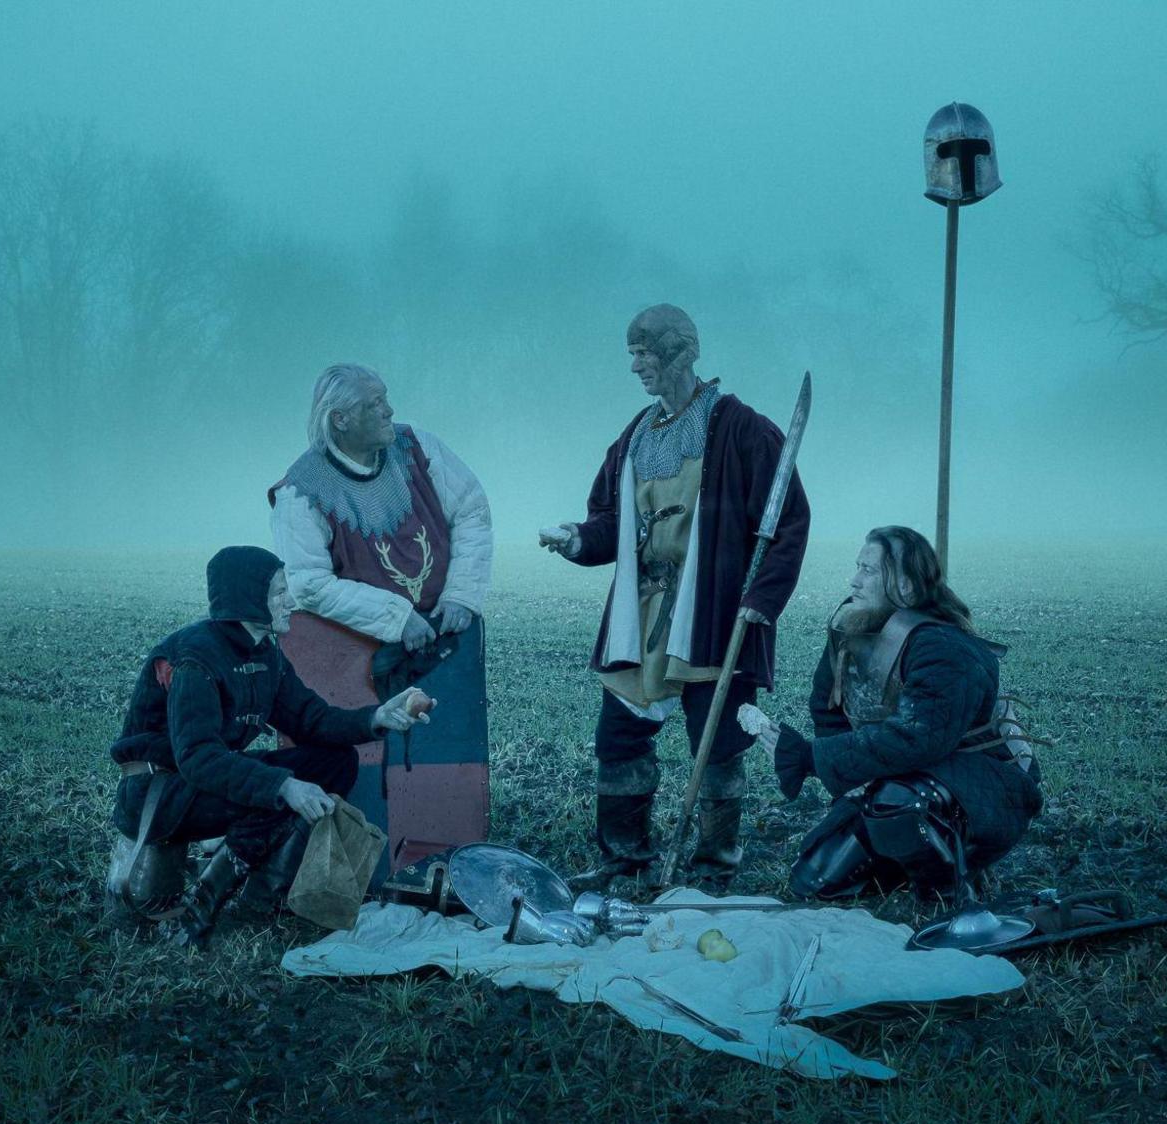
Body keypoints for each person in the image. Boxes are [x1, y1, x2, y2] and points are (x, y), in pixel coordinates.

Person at [539, 304, 809, 892]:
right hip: (645, 613)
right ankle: (625, 862)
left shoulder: (743, 429)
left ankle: (714, 869)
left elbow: (788, 521)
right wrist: (578, 539)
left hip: (715, 610)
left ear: (680, 353)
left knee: (716, 744)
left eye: (645, 353)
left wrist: (763, 599)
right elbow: (610, 520)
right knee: (618, 734)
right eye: (632, 354)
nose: (636, 366)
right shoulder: (636, 434)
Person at [105, 545, 433, 946]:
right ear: (247, 598)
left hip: (205, 776)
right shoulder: (194, 658)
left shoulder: (265, 653)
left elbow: (312, 720)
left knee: (334, 763)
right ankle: (200, 908)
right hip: (158, 793)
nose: (291, 601)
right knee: (277, 791)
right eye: (279, 593)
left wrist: (377, 717)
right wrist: (283, 786)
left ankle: (257, 894)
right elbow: (198, 758)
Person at [739, 526, 1042, 905]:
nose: (855, 580)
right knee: (815, 880)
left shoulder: (945, 649)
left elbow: (919, 737)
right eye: (857, 567)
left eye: (870, 571)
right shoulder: (851, 628)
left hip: (986, 784)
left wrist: (815, 757)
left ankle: (949, 894)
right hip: (908, 773)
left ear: (908, 586)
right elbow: (829, 709)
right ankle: (912, 861)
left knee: (898, 803)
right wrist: (848, 778)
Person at [269, 364, 491, 651]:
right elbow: (310, 584)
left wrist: (461, 595)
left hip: (447, 625)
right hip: (361, 653)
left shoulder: (419, 448)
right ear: (340, 419)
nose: (389, 411)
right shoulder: (301, 493)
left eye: (385, 399)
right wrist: (395, 617)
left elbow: (471, 511)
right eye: (375, 404)